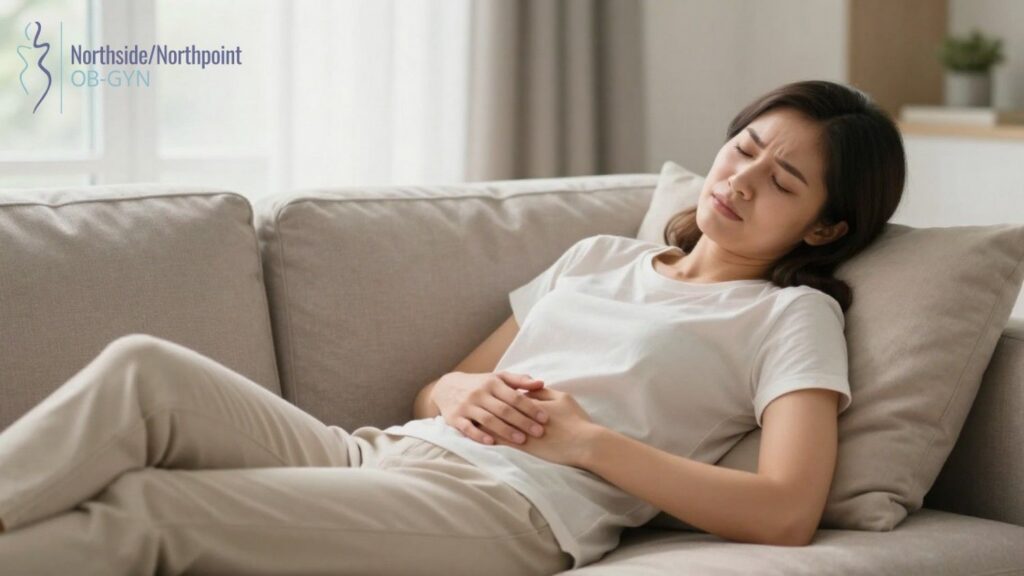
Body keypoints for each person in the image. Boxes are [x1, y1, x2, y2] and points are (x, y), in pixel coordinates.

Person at [0, 79, 905, 575]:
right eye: (745, 149)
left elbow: (788, 512)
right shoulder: (600, 257)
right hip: (381, 452)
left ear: (825, 228)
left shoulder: (793, 315)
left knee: (152, 510)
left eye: (783, 183)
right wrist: (461, 390)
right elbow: (440, 387)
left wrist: (587, 444)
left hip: (506, 511)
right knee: (142, 370)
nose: (741, 182)